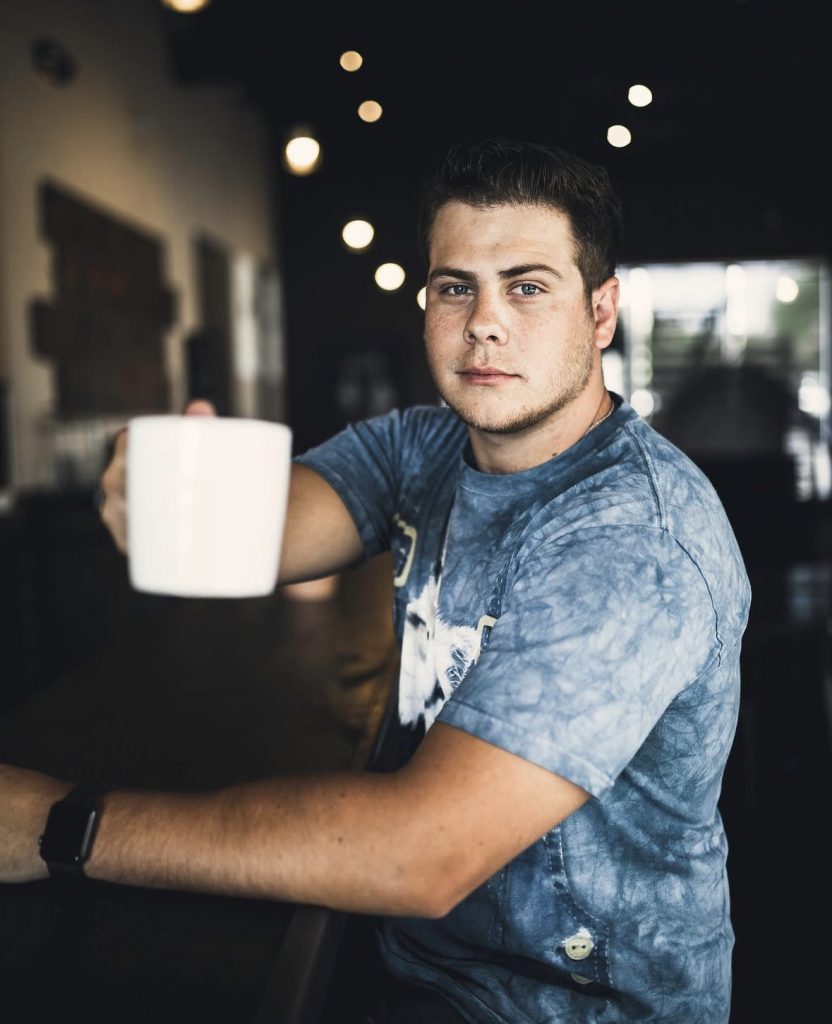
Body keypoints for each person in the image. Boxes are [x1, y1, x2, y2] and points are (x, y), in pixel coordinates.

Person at [0, 138, 751, 1023]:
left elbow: (419, 856)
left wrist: (60, 826)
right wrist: (166, 490)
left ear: (601, 312)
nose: (483, 321)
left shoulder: (635, 539)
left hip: (569, 1006)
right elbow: (257, 536)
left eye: (528, 286)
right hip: (409, 964)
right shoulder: (423, 448)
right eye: (453, 286)